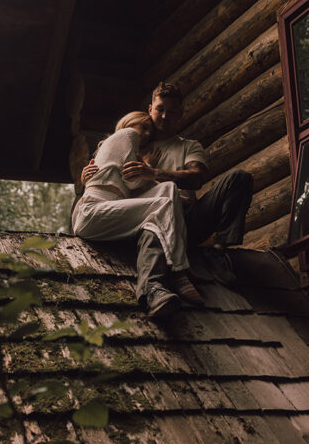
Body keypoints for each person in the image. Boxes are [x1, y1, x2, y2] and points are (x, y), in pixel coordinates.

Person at [81, 82, 254, 314]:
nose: (165, 115)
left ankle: (218, 249)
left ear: (180, 114)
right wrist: (88, 178)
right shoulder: (134, 142)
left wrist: (154, 173)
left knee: (239, 179)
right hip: (142, 218)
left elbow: (197, 178)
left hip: (188, 217)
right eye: (160, 109)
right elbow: (110, 176)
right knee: (155, 220)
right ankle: (155, 288)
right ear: (150, 108)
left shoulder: (188, 146)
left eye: (172, 111)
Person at [72, 112, 193, 317]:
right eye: (143, 126)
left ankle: (175, 263)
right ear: (128, 123)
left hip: (106, 209)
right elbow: (131, 181)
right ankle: (180, 270)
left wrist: (146, 170)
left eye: (149, 130)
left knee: (168, 189)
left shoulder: (122, 149)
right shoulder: (126, 135)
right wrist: (148, 167)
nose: (146, 133)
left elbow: (137, 189)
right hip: (92, 211)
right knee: (162, 205)